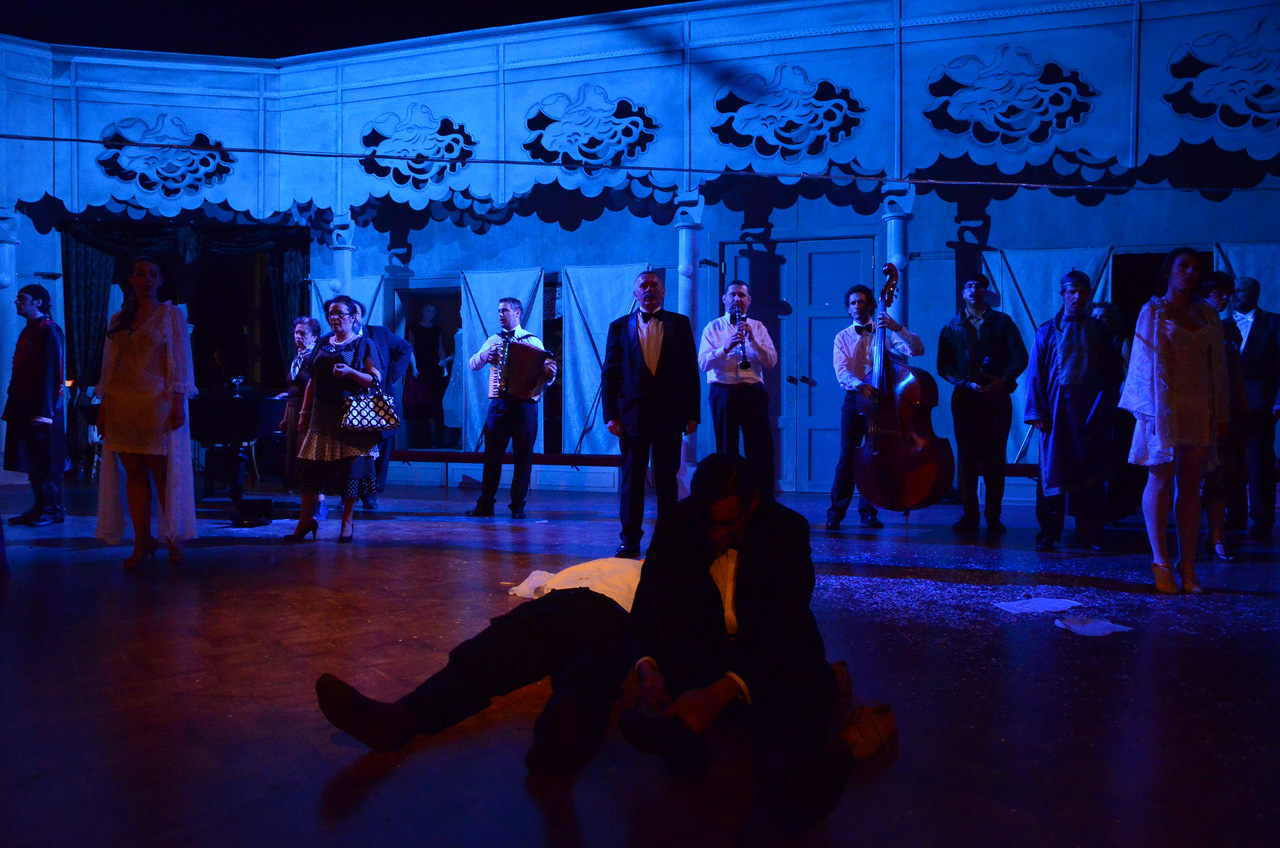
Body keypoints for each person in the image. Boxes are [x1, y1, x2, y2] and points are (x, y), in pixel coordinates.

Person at [624, 453, 853, 847]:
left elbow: (784, 626)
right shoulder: (678, 525)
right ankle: (685, 741)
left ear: (754, 503)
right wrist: (648, 666)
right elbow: (647, 608)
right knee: (685, 692)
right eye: (709, 523)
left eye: (729, 524)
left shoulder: (786, 530)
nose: (716, 535)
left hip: (769, 656)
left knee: (804, 690)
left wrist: (720, 692)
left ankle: (779, 803)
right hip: (704, 654)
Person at [314, 556, 639, 773]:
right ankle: (398, 720)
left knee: (589, 669)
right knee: (490, 653)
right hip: (559, 604)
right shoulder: (618, 563)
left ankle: (565, 737)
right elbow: (536, 585)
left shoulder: (655, 576)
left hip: (615, 613)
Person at [1120, 248, 1228, 594]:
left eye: (1196, 268)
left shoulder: (1207, 313)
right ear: (1169, 271)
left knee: (1192, 484)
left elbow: (1218, 366)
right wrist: (1149, 412)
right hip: (1163, 405)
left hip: (1199, 405)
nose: (1190, 272)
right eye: (1184, 266)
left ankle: (1189, 563)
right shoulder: (1153, 311)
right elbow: (1141, 362)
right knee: (1161, 476)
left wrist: (1221, 410)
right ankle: (1161, 561)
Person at [95, 256, 198, 568]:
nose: (147, 280)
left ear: (160, 280)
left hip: (156, 404)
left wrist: (178, 400)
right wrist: (104, 406)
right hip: (124, 404)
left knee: (162, 475)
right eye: (141, 274)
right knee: (135, 475)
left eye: (153, 274)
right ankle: (142, 540)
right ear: (131, 279)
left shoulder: (171, 315)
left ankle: (172, 537)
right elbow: (110, 366)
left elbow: (180, 360)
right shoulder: (119, 318)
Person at [601, 270, 700, 558]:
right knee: (632, 481)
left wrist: (692, 413)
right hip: (631, 417)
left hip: (670, 415)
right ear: (636, 293)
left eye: (654, 285)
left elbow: (690, 371)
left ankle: (668, 540)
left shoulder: (680, 324)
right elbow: (610, 374)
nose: (649, 289)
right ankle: (629, 540)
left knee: (667, 481)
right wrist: (610, 415)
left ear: (663, 291)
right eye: (643, 286)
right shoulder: (619, 327)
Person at [1024, 271, 1123, 552]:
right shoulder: (1047, 331)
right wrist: (1038, 412)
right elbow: (1036, 374)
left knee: (1091, 472)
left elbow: (1113, 371)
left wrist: (1106, 406)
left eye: (1082, 291)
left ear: (1089, 294)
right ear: (1063, 294)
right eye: (1072, 291)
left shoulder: (1099, 331)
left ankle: (1089, 532)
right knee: (1053, 471)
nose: (1077, 296)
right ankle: (1048, 532)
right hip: (1057, 413)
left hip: (1092, 411)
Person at [826, 283, 925, 530]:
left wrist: (897, 328)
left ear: (870, 305)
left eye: (861, 302)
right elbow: (841, 370)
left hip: (883, 402)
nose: (857, 306)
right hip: (855, 399)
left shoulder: (886, 334)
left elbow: (917, 350)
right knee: (847, 457)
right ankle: (836, 513)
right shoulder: (842, 337)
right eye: (853, 303)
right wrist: (860, 385)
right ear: (848, 309)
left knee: (876, 455)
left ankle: (868, 512)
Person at [937, 273, 1028, 534]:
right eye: (969, 286)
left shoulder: (1002, 322)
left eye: (979, 286)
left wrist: (1003, 380)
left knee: (995, 459)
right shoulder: (951, 326)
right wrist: (966, 384)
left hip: (996, 398)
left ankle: (993, 516)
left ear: (985, 292)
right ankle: (969, 515)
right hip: (966, 399)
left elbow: (1020, 356)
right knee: (967, 458)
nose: (974, 290)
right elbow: (944, 365)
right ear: (963, 293)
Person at [287, 295, 383, 544]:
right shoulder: (322, 343)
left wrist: (350, 372)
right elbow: (312, 381)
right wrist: (304, 413)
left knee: (351, 471)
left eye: (340, 313)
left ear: (352, 317)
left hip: (351, 416)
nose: (334, 318)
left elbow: (374, 379)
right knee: (309, 470)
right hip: (321, 415)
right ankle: (306, 521)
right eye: (331, 314)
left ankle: (347, 522)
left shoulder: (363, 344)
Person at [464, 296, 557, 519]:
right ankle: (485, 505)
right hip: (500, 403)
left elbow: (547, 372)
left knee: (523, 457)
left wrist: (550, 374)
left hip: (525, 405)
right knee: (492, 457)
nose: (500, 314)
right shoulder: (493, 340)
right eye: (499, 311)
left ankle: (518, 506)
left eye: (504, 310)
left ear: (517, 313)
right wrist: (483, 356)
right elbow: (472, 364)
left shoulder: (533, 341)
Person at [697, 280, 777, 496]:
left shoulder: (758, 327)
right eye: (732, 294)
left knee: (760, 450)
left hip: (753, 392)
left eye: (742, 295)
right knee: (726, 449)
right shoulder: (713, 327)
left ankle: (762, 500)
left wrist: (753, 341)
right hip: (723, 392)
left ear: (749, 300)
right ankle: (728, 497)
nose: (737, 299)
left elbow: (771, 362)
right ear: (724, 298)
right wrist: (726, 346)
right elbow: (703, 363)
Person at [3, 284, 67, 527]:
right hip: (27, 405)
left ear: (38, 302)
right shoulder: (31, 330)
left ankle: (52, 509)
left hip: (43, 409)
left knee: (46, 460)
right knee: (33, 459)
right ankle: (40, 506)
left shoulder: (49, 330)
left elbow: (52, 371)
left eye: (22, 298)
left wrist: (44, 411)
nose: (17, 302)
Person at [1224, 276, 1280, 540]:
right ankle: (1234, 515)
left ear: (1255, 293)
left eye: (1240, 291)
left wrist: (1278, 401)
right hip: (1228, 404)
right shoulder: (1222, 325)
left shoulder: (1274, 323)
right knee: (1231, 461)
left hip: (1261, 404)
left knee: (1259, 462)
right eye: (1232, 291)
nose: (1234, 296)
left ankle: (1261, 519)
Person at [1199, 272, 1249, 561]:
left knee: (1223, 476)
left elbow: (1236, 372)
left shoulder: (1229, 329)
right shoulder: (1193, 326)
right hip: (1198, 408)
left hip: (1226, 408)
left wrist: (1242, 405)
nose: (1224, 299)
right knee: (1194, 477)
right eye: (1218, 293)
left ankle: (1217, 537)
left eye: (1227, 294)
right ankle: (1187, 539)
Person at [351, 300, 412, 510]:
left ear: (361, 315)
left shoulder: (379, 333)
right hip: (353, 400)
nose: (353, 318)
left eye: (356, 313)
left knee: (382, 443)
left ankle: (371, 493)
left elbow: (405, 348)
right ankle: (351, 491)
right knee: (355, 448)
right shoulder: (338, 340)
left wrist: (392, 375)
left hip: (379, 397)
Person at [275, 316, 325, 517]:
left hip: (310, 412)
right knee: (297, 458)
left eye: (303, 333)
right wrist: (286, 417)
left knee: (310, 457)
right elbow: (293, 390)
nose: (298, 336)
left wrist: (304, 412)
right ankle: (306, 504)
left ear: (314, 336)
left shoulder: (316, 358)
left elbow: (314, 389)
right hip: (295, 411)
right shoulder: (297, 359)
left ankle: (320, 502)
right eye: (296, 332)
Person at [404, 304, 448, 448]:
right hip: (420, 369)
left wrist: (444, 366)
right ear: (423, 311)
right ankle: (420, 440)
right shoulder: (414, 328)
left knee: (434, 403)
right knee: (420, 404)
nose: (431, 314)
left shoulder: (436, 329)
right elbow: (411, 348)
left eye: (433, 311)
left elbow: (440, 349)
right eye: (428, 311)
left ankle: (435, 441)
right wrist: (414, 367)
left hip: (433, 369)